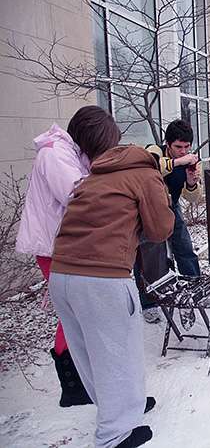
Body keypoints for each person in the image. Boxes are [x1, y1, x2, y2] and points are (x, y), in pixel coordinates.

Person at [48, 107, 174, 448]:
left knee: (90, 353)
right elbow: (161, 230)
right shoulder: (144, 175)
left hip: (61, 274)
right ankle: (113, 435)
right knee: (120, 352)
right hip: (101, 279)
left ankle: (122, 408)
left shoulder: (93, 176)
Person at [15, 108, 117, 408]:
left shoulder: (71, 154)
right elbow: (79, 196)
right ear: (91, 137)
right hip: (53, 246)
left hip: (64, 243)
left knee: (73, 312)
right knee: (73, 312)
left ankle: (78, 384)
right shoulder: (55, 153)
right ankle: (73, 385)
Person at [142, 119, 202, 322]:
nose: (183, 151)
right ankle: (148, 302)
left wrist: (192, 183)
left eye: (187, 147)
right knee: (148, 255)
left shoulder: (192, 160)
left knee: (184, 247)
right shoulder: (155, 151)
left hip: (171, 206)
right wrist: (178, 163)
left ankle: (195, 288)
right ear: (168, 144)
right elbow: (150, 168)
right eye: (178, 147)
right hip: (147, 208)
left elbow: (193, 197)